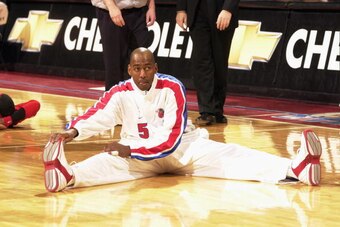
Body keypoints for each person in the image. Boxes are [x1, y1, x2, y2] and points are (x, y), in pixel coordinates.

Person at [42, 47, 322, 193]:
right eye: (137, 68)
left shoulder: (173, 87)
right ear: (129, 69)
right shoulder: (119, 91)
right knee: (105, 163)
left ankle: (298, 167)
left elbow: (170, 140)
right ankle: (68, 176)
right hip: (139, 156)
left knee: (233, 156)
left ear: (156, 67)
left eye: (147, 67)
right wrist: (73, 131)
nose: (142, 74)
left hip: (182, 151)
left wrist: (132, 150)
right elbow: (100, 113)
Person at [176, 0, 239, 126]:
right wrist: (181, 9)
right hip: (197, 10)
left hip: (221, 9)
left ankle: (217, 110)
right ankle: (206, 111)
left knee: (219, 61)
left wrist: (228, 8)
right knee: (201, 61)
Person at [91, 0, 156, 91]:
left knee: (142, 61)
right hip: (113, 11)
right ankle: (114, 101)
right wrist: (111, 6)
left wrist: (151, 6)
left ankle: (142, 101)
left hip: (139, 11)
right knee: (114, 65)